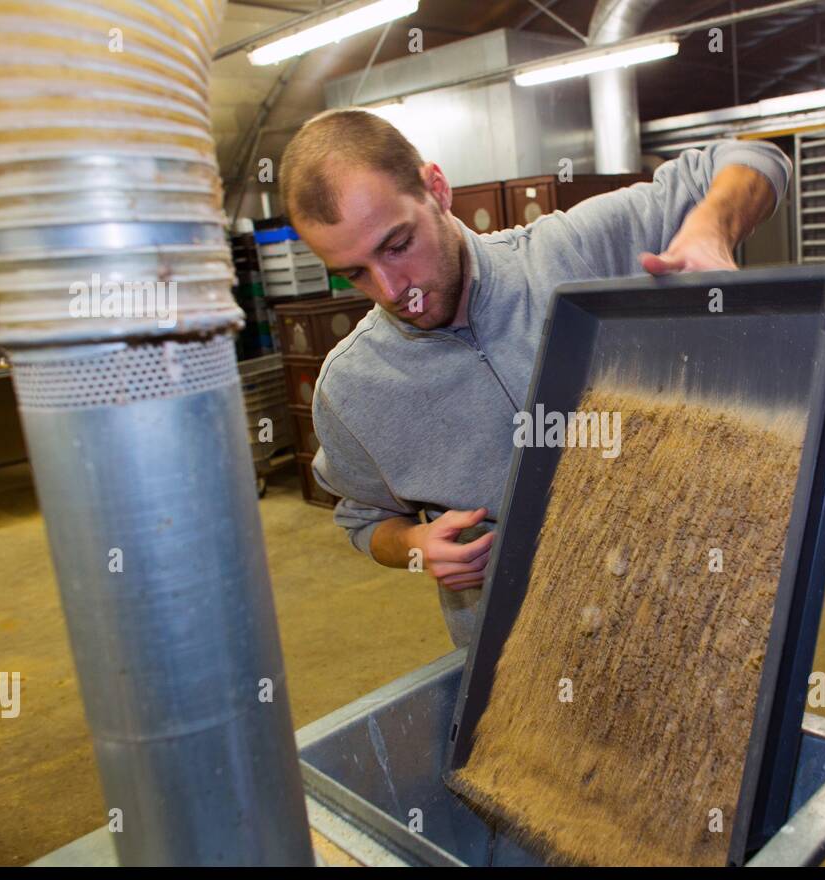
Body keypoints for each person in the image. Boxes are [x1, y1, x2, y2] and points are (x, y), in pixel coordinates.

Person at [279, 108, 791, 648]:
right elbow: (363, 518)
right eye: (355, 272)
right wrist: (414, 545)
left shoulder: (573, 252)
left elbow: (751, 158)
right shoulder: (352, 389)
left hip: (690, 622)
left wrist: (711, 230)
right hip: (526, 666)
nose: (389, 288)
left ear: (436, 189)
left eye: (397, 244)